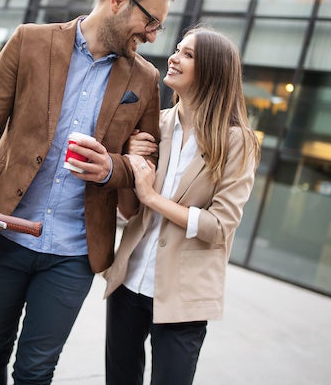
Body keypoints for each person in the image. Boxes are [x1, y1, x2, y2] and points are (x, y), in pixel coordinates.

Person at [0, 0, 179, 383]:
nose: (152, 36)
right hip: (5, 230)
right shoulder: (30, 41)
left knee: (36, 371)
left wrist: (113, 167)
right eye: (151, 21)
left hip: (74, 251)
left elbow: (145, 164)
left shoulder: (145, 79)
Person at [103, 26, 261, 385]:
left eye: (188, 54)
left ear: (213, 71)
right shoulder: (156, 124)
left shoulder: (237, 142)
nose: (173, 58)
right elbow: (131, 211)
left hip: (184, 294)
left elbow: (219, 227)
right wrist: (131, 164)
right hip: (130, 281)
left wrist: (153, 198)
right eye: (177, 50)